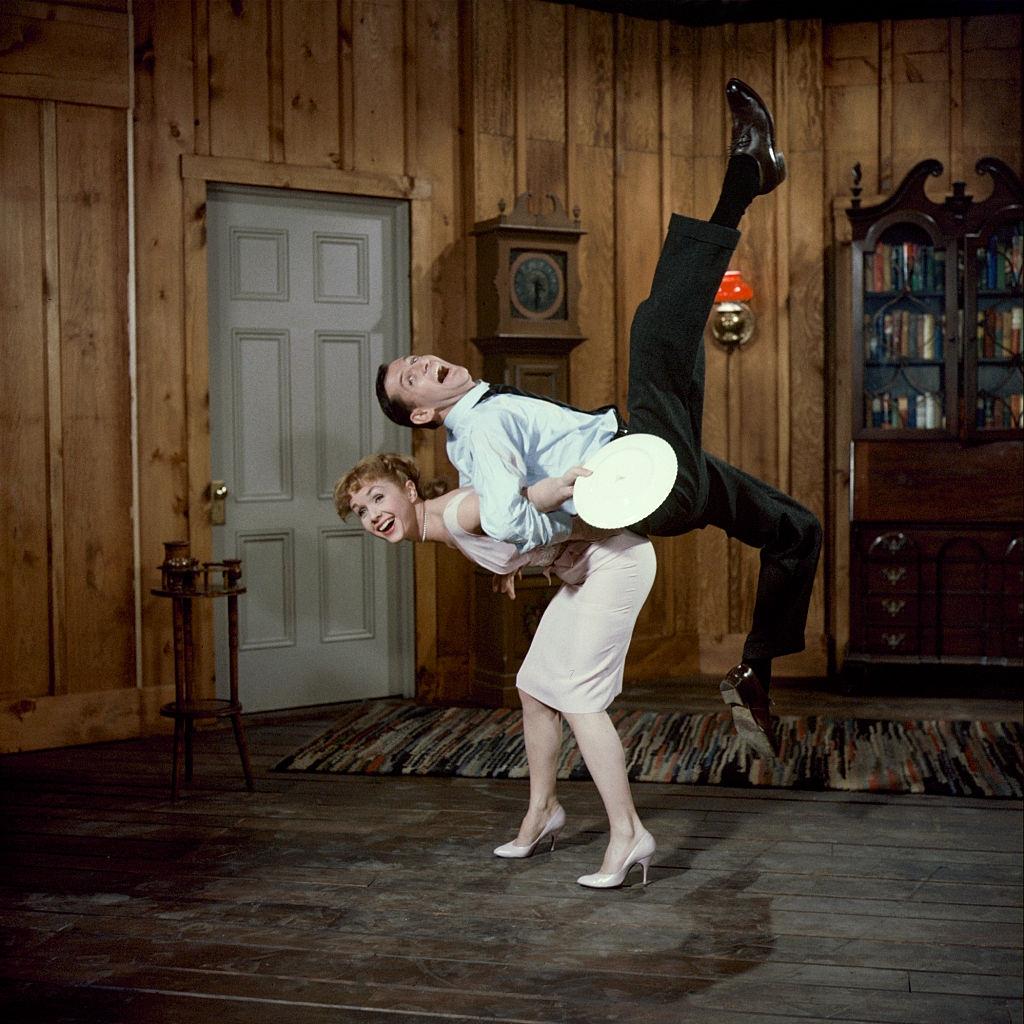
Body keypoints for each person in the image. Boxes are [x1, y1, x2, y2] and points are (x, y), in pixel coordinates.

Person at [373, 79, 822, 759]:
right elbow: (503, 518)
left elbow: (504, 520)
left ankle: (756, 670)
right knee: (654, 333)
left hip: (658, 480)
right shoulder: (481, 427)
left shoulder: (483, 418)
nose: (421, 362)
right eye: (409, 379)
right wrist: (537, 542)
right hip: (639, 478)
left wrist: (534, 551)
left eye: (414, 357)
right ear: (426, 415)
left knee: (795, 529)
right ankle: (745, 174)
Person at [334, 452, 657, 888]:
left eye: (378, 498)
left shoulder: (458, 513)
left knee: (579, 698)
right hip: (584, 571)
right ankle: (542, 811)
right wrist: (520, 561)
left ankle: (629, 833)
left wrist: (566, 544)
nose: (374, 515)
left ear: (409, 490)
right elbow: (515, 531)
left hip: (616, 562)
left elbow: (534, 505)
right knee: (535, 689)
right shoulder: (441, 524)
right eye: (361, 511)